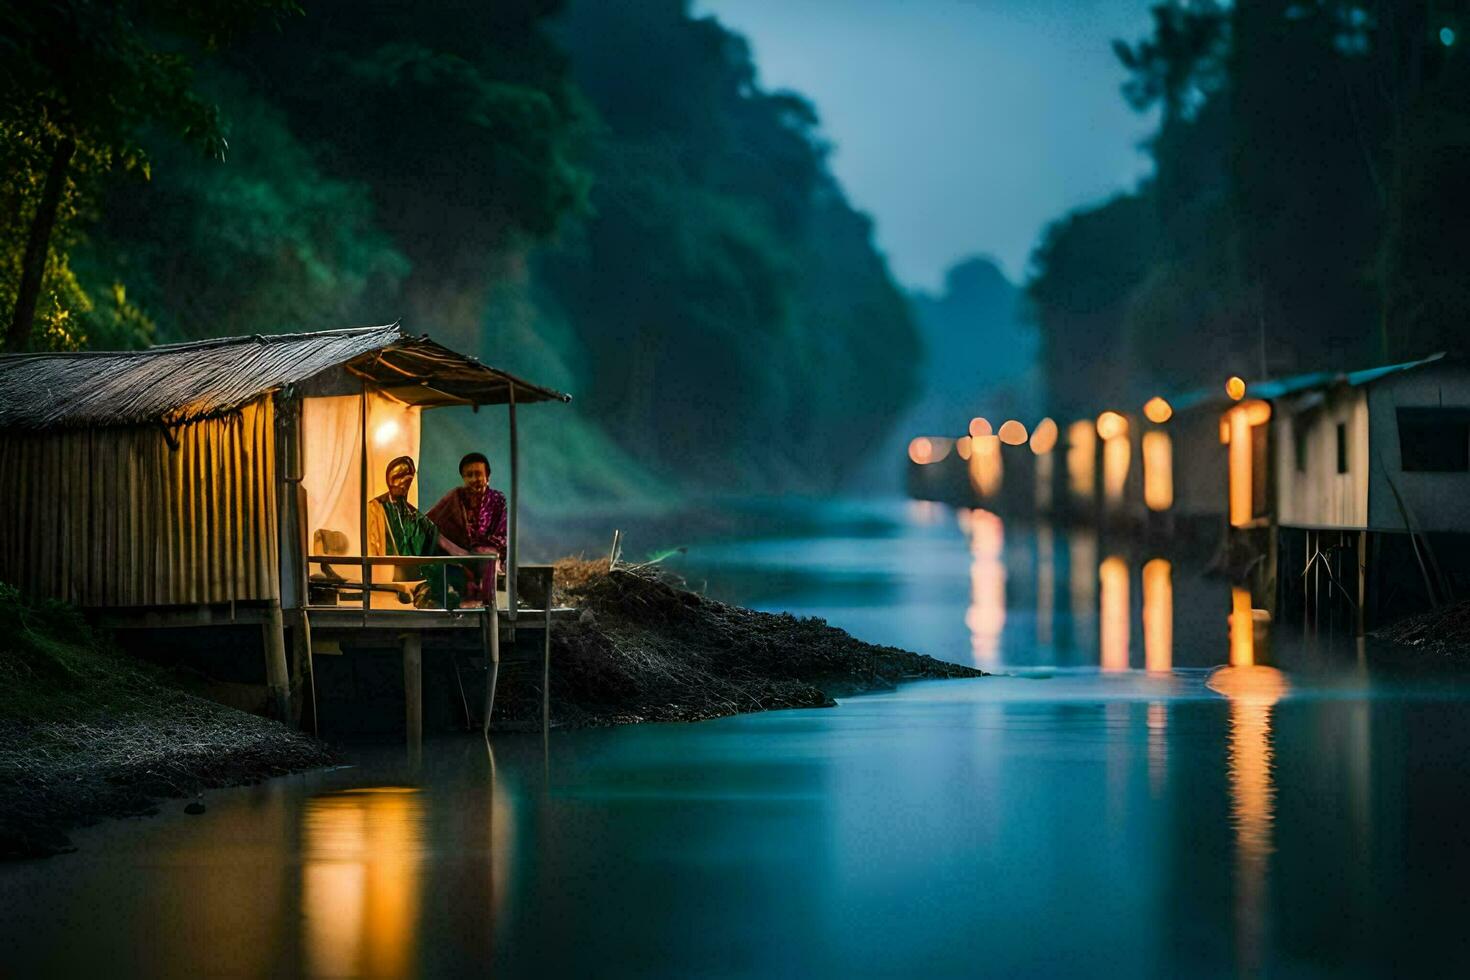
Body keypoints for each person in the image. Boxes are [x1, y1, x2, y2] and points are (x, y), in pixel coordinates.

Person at [367, 456, 456, 607]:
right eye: (397, 478)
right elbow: (373, 548)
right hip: (389, 580)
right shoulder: (376, 508)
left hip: (417, 578)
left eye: (407, 479)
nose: (402, 484)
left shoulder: (415, 515)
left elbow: (434, 538)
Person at [427, 452, 507, 604]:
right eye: (468, 475)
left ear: (487, 477)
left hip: (488, 559)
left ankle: (488, 605)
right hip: (457, 559)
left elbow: (501, 537)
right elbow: (430, 522)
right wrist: (451, 548)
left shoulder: (497, 500)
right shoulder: (455, 496)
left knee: (489, 560)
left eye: (478, 474)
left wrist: (481, 552)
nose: (473, 479)